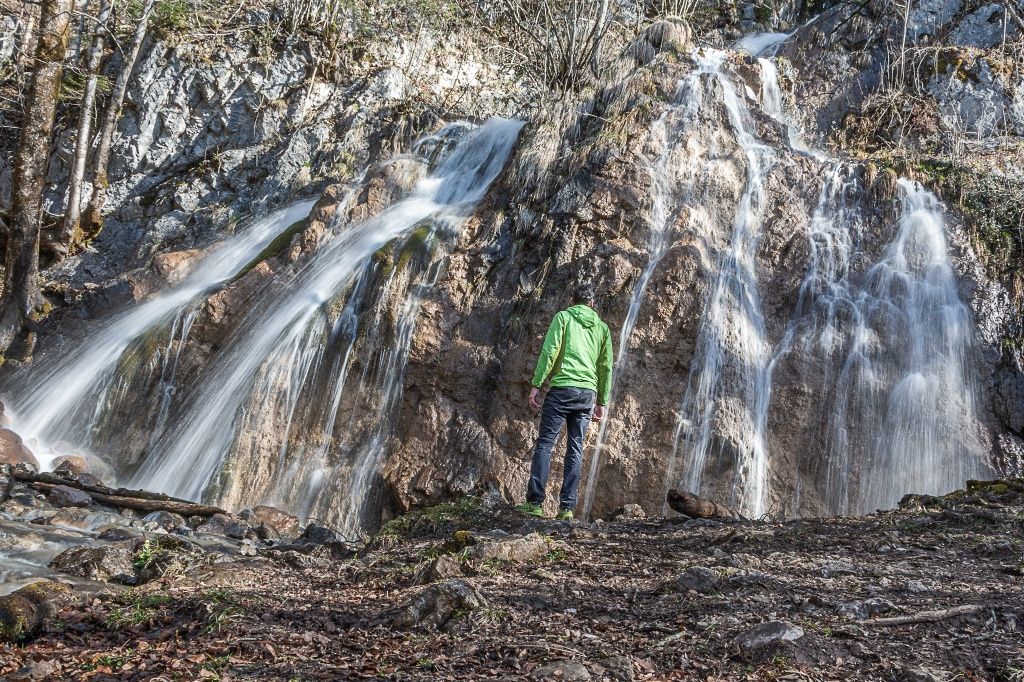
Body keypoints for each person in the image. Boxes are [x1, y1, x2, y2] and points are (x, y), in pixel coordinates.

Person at [516, 285, 613, 521]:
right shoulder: (602, 328)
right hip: (587, 394)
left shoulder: (564, 317)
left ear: (573, 301)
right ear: (591, 303)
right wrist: (602, 400)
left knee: (546, 444)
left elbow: (550, 351)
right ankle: (566, 509)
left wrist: (537, 384)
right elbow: (606, 366)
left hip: (562, 389)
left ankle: (535, 503)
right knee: (576, 449)